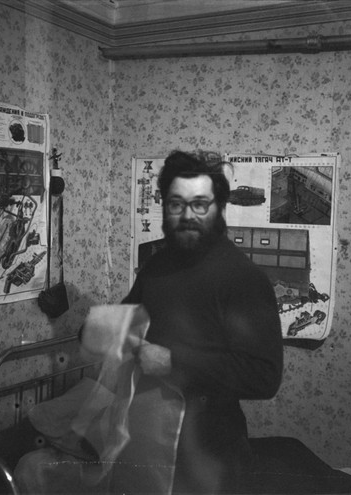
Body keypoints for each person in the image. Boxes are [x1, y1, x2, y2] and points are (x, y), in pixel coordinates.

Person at [122, 149, 283, 494]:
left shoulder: (243, 278)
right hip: (149, 437)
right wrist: (104, 329)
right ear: (164, 206)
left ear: (219, 209)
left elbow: (264, 377)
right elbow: (128, 317)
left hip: (211, 451)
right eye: (176, 204)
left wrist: (172, 361)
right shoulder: (156, 265)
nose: (187, 215)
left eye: (200, 204)